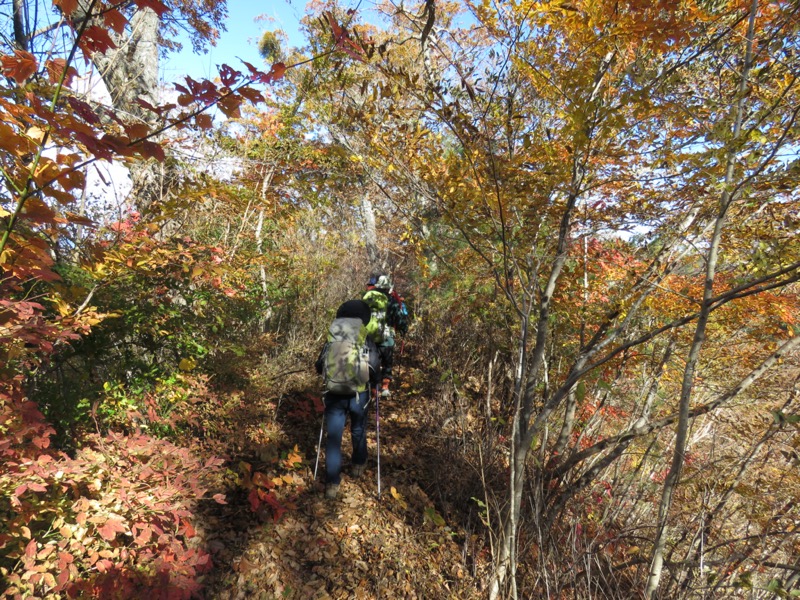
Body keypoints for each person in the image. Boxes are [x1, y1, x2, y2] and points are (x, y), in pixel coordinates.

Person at [315, 299, 377, 500]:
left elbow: (319, 365)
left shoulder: (333, 336)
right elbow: (374, 368)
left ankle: (332, 484)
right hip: (359, 394)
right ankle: (358, 464)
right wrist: (375, 381)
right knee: (358, 429)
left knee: (334, 438)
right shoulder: (364, 336)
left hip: (334, 393)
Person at [362, 274, 401, 398]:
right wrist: (402, 329)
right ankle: (385, 388)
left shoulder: (368, 297)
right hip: (386, 337)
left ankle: (373, 389)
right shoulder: (392, 301)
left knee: (372, 362)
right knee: (387, 362)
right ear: (388, 287)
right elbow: (399, 319)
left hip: (369, 336)